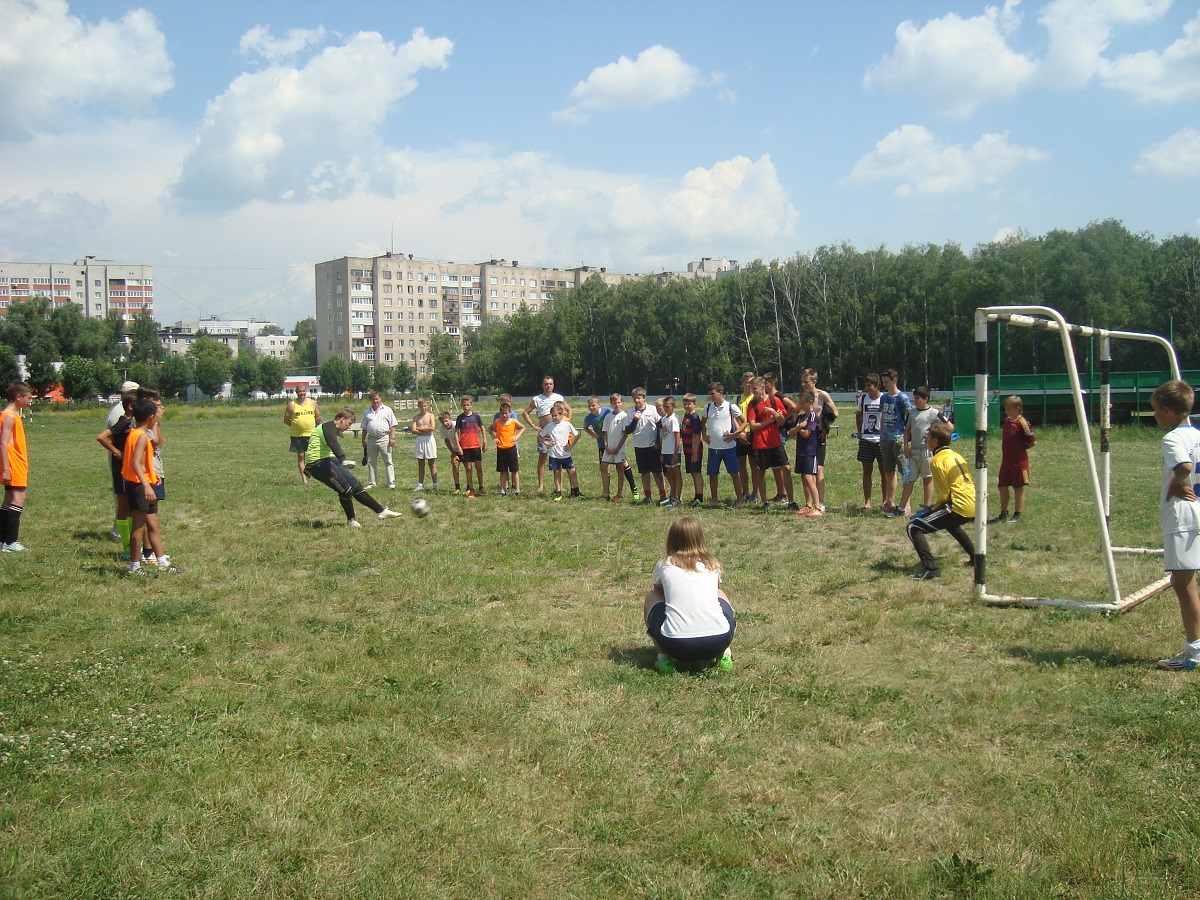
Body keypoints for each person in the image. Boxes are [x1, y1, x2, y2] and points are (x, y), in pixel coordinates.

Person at [643, 517, 736, 675]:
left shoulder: (666, 563)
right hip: (718, 640)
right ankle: (723, 654)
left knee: (652, 595)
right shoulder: (712, 563)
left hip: (676, 646)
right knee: (719, 593)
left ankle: (664, 659)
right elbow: (716, 590)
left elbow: (658, 589)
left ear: (671, 539)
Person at [1150, 380, 1200, 671]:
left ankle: (1193, 653)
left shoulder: (1171, 439)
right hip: (1196, 511)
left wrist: (1174, 484)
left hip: (1182, 515)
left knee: (1182, 582)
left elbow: (1184, 467)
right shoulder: (1197, 434)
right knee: (1185, 580)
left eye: (1156, 411)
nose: (1155, 416)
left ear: (1167, 411)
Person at [305, 406, 402, 527]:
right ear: (341, 419)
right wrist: (343, 459)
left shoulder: (332, 428)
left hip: (329, 460)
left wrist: (340, 460)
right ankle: (351, 520)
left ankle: (381, 511)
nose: (349, 427)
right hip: (317, 463)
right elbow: (332, 441)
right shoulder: (328, 426)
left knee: (355, 486)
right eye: (349, 423)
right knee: (345, 490)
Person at [906, 421, 976, 580]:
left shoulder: (937, 461)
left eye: (928, 436)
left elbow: (944, 495)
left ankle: (931, 569)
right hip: (973, 503)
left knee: (914, 527)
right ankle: (976, 558)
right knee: (950, 524)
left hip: (958, 505)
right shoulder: (956, 455)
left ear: (935, 441)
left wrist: (932, 509)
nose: (925, 439)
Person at [119, 398, 177, 574]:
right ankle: (134, 566)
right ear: (151, 418)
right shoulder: (142, 436)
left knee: (153, 524)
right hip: (138, 486)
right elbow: (136, 464)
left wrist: (153, 478)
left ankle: (161, 561)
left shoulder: (134, 433)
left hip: (144, 482)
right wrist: (146, 485)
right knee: (138, 526)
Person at [96, 390, 137, 557]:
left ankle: (130, 544)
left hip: (127, 468)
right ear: (130, 406)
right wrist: (116, 452)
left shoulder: (132, 422)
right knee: (123, 506)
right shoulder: (123, 421)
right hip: (119, 468)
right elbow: (102, 437)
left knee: (129, 507)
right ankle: (127, 547)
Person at [745, 377, 796, 510]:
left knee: (786, 468)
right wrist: (770, 420)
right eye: (751, 389)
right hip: (760, 443)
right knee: (761, 471)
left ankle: (791, 501)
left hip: (775, 441)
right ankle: (764, 501)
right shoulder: (752, 405)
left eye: (754, 389)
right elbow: (753, 426)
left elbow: (781, 421)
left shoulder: (774, 400)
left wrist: (772, 412)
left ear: (762, 387)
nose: (753, 391)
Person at [900, 386, 946, 516]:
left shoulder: (933, 413)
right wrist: (905, 446)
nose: (915, 400)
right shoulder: (912, 412)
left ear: (925, 399)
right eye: (914, 397)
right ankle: (901, 507)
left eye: (917, 398)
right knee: (909, 479)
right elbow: (907, 430)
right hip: (913, 451)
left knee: (927, 478)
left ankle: (927, 507)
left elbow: (949, 426)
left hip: (927, 452)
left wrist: (935, 436)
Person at [991, 395, 1036, 524]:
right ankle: (1003, 512)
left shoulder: (1022, 423)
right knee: (1002, 486)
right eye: (1005, 409)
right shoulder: (1006, 421)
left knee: (1018, 487)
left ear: (1018, 408)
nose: (1006, 412)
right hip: (1006, 460)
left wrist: (1019, 449)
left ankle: (1017, 514)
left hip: (1019, 461)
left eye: (1009, 409)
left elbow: (1032, 441)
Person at [522, 376, 570, 493]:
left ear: (553, 385)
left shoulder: (558, 397)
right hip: (544, 433)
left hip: (557, 434)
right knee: (542, 459)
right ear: (542, 385)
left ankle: (559, 485)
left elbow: (569, 410)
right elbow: (525, 413)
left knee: (559, 459)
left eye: (550, 384)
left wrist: (567, 423)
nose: (548, 386)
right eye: (546, 384)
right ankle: (541, 485)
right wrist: (533, 425)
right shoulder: (537, 399)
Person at [0, 382, 33, 553]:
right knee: (19, 497)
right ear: (18, 397)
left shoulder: (10, 415)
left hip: (15, 462)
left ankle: (3, 540)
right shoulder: (10, 416)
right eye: (28, 398)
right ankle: (11, 541)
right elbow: (3, 443)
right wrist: (6, 468)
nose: (30, 401)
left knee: (9, 499)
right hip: (13, 463)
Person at [702, 382, 745, 508]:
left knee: (734, 474)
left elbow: (745, 421)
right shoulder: (708, 407)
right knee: (712, 474)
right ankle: (714, 499)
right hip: (713, 448)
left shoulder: (731, 406)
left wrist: (735, 434)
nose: (711, 396)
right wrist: (704, 435)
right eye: (710, 393)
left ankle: (739, 499)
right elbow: (702, 422)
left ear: (721, 393)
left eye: (713, 393)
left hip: (729, 447)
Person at [800, 368, 838, 512]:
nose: (804, 384)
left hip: (818, 434)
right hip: (806, 435)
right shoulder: (804, 396)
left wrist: (826, 427)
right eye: (802, 382)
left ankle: (820, 502)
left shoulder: (822, 395)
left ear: (814, 381)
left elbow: (835, 412)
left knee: (819, 468)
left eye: (806, 382)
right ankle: (809, 502)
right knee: (807, 470)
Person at [106, 379, 138, 540]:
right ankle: (119, 533)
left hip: (126, 460)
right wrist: (118, 452)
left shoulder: (122, 410)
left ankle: (123, 531)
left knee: (126, 499)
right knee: (123, 500)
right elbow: (108, 436)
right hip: (122, 462)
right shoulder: (120, 413)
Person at [879, 368, 913, 516]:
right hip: (886, 439)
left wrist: (905, 440)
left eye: (887, 382)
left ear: (894, 380)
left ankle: (906, 504)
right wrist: (881, 435)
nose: (885, 385)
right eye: (883, 382)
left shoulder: (902, 398)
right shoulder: (884, 397)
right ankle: (890, 502)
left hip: (898, 438)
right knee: (889, 472)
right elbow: (881, 417)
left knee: (904, 471)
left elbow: (909, 419)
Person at [628, 387, 665, 505]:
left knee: (657, 471)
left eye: (639, 398)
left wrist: (658, 442)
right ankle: (647, 496)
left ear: (644, 398)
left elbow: (660, 426)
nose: (637, 401)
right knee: (644, 472)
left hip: (652, 446)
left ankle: (663, 495)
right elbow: (628, 430)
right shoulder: (630, 412)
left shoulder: (652, 409)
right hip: (639, 446)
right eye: (635, 399)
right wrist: (634, 420)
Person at [538, 401, 581, 500]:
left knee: (572, 471)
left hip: (565, 454)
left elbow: (577, 435)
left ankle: (575, 491)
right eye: (552, 416)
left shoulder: (567, 424)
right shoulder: (549, 426)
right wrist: (547, 443)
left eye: (555, 416)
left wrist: (570, 447)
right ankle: (558, 491)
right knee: (556, 473)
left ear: (561, 415)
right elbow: (540, 436)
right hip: (554, 455)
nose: (553, 418)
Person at [789, 390, 822, 515]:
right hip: (801, 451)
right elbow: (790, 432)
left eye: (802, 402)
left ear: (810, 402)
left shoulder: (813, 416)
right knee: (804, 478)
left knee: (809, 478)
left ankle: (818, 507)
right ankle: (808, 505)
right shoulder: (801, 417)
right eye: (799, 402)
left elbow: (807, 433)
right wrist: (799, 427)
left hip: (810, 451)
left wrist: (800, 429)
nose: (800, 405)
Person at [358, 391, 398, 490]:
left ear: (380, 399)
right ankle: (372, 483)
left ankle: (391, 483)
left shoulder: (387, 410)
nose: (375, 401)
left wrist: (392, 438)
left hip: (384, 438)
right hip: (371, 439)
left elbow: (393, 425)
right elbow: (364, 427)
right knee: (371, 462)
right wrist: (363, 440)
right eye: (373, 399)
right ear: (370, 400)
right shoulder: (367, 412)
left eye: (377, 399)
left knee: (388, 461)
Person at [856, 374, 884, 510]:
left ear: (877, 385)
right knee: (867, 471)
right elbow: (859, 414)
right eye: (866, 385)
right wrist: (859, 431)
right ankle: (867, 502)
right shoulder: (863, 399)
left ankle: (886, 501)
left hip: (881, 440)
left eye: (869, 386)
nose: (867, 388)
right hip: (866, 439)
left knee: (884, 471)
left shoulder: (884, 399)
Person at [284, 383, 320, 485]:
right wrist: (296, 426)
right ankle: (304, 480)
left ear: (306, 391)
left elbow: (317, 417)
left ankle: (317, 475)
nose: (302, 393)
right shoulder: (292, 405)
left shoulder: (313, 403)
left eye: (303, 391)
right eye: (300, 391)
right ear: (296, 392)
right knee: (301, 456)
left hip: (311, 434)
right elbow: (286, 420)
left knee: (314, 456)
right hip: (297, 435)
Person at [601, 392, 633, 502]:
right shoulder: (608, 416)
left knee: (620, 469)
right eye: (615, 403)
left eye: (619, 402)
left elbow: (625, 434)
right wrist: (606, 446)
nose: (617, 404)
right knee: (604, 467)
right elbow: (604, 433)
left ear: (622, 403)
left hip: (619, 449)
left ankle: (619, 494)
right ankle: (605, 492)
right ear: (611, 403)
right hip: (609, 448)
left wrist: (618, 448)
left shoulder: (624, 416)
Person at [455, 395, 488, 497]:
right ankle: (471, 489)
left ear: (471, 405)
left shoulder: (476, 416)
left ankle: (481, 487)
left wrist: (485, 442)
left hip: (476, 446)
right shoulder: (460, 418)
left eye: (468, 405)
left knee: (478, 467)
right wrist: (458, 446)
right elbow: (456, 432)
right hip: (465, 447)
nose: (466, 407)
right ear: (461, 406)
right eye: (464, 405)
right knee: (468, 468)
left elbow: (482, 428)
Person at [490, 400, 525, 496]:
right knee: (503, 470)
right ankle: (503, 489)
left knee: (514, 470)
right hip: (501, 448)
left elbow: (523, 427)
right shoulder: (497, 422)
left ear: (510, 413)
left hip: (511, 448)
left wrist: (517, 436)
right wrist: (494, 437)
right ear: (499, 413)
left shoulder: (513, 421)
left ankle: (517, 489)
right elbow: (490, 429)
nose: (504, 415)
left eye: (506, 413)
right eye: (502, 413)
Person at [582, 395, 612, 499]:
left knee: (620, 466)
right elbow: (585, 427)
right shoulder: (588, 418)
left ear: (599, 405)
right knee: (604, 468)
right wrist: (593, 435)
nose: (591, 408)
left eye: (593, 405)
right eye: (589, 406)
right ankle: (606, 492)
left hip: (613, 443)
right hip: (601, 445)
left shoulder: (607, 411)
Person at [736, 371, 759, 503]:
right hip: (740, 435)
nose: (749, 385)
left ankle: (755, 493)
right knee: (741, 465)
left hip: (753, 435)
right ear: (742, 383)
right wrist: (739, 433)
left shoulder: (756, 398)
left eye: (751, 382)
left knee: (754, 465)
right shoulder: (739, 399)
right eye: (747, 382)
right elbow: (734, 417)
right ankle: (745, 491)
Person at [680, 393, 705, 507]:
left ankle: (699, 497)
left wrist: (695, 453)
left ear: (694, 404)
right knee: (692, 473)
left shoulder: (694, 417)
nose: (686, 406)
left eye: (689, 404)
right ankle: (696, 496)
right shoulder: (686, 415)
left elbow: (696, 435)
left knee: (696, 472)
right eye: (685, 404)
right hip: (687, 450)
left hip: (694, 450)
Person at [411, 397, 438, 492]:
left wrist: (420, 428)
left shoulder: (431, 415)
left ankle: (435, 484)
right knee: (421, 463)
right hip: (420, 440)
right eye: (421, 406)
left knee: (432, 463)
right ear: (418, 406)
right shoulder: (416, 417)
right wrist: (425, 427)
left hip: (429, 440)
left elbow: (432, 428)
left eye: (425, 406)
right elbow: (413, 430)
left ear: (427, 406)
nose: (423, 407)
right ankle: (420, 484)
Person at [658, 396, 682, 507]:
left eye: (668, 406)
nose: (666, 408)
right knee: (669, 475)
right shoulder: (664, 419)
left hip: (673, 451)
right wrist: (662, 453)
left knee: (676, 474)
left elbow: (677, 436)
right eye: (664, 406)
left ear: (673, 406)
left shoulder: (674, 419)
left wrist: (676, 453)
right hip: (666, 451)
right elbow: (664, 437)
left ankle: (677, 497)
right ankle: (672, 497)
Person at [438, 410, 463, 494]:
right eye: (442, 422)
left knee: (468, 467)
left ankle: (469, 488)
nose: (445, 423)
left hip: (464, 446)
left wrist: (461, 448)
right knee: (454, 464)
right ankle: (457, 487)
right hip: (455, 448)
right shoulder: (441, 428)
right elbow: (447, 441)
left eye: (446, 421)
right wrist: (454, 453)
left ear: (450, 419)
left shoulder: (456, 425)